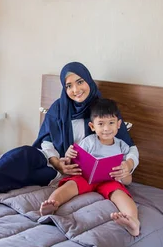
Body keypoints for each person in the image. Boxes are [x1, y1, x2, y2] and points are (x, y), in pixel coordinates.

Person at [0, 62, 139, 214]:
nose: (75, 89)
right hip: (55, 167)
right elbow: (46, 141)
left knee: (18, 176)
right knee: (22, 156)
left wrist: (128, 166)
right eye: (69, 85)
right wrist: (58, 162)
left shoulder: (104, 113)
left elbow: (128, 148)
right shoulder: (59, 108)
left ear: (89, 81)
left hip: (79, 177)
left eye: (80, 82)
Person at [40, 98, 140, 236]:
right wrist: (68, 155)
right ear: (92, 127)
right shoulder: (88, 142)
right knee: (69, 186)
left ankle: (133, 221)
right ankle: (52, 204)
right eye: (101, 124)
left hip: (109, 180)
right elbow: (72, 162)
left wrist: (125, 173)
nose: (106, 128)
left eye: (111, 123)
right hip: (86, 177)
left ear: (118, 124)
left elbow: (128, 180)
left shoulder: (122, 146)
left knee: (122, 196)